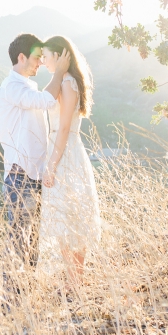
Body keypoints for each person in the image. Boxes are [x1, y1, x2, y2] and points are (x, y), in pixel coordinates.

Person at [0, 33, 70, 296]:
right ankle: (12, 301)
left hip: (35, 175)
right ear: (21, 57)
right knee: (18, 239)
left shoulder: (27, 87)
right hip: (20, 174)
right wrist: (59, 73)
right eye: (36, 57)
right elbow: (46, 102)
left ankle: (25, 295)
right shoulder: (12, 87)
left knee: (32, 241)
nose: (39, 62)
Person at [39, 36, 102, 294]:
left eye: (46, 56)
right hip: (68, 150)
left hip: (64, 153)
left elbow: (64, 127)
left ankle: (74, 283)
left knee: (69, 219)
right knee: (70, 219)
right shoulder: (69, 81)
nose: (43, 62)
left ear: (59, 56)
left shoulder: (66, 82)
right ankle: (74, 281)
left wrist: (52, 164)